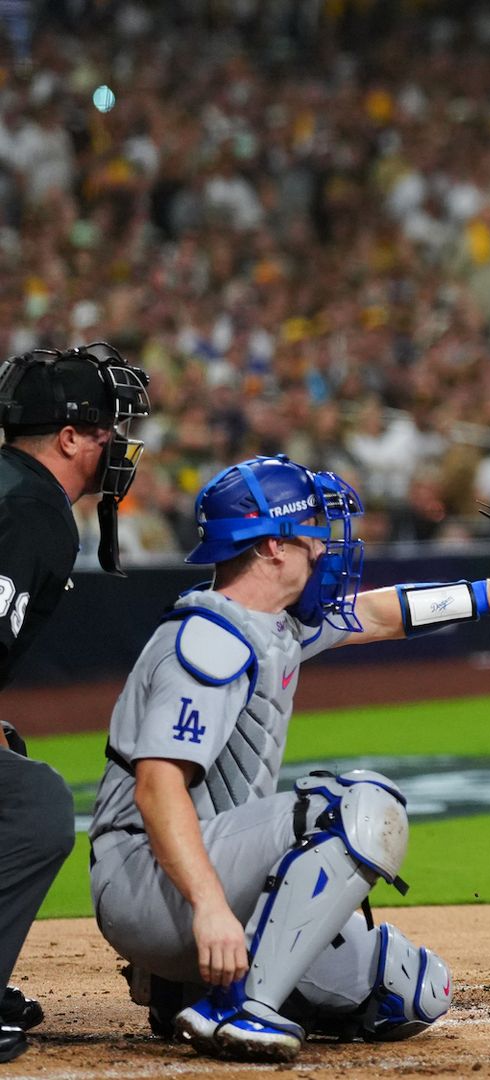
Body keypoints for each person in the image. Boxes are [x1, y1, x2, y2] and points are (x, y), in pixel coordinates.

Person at [87, 454, 490, 1062]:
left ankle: (183, 984)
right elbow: (157, 790)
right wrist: (207, 909)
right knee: (356, 806)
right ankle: (240, 1007)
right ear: (274, 546)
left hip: (204, 873)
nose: (325, 547)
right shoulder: (208, 642)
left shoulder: (272, 622)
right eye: (313, 532)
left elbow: (382, 613)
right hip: (149, 882)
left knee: (411, 991)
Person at [0, 343, 150, 1064]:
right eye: (104, 431)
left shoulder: (12, 487)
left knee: (11, 766)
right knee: (33, 807)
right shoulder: (34, 508)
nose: (117, 446)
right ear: (68, 438)